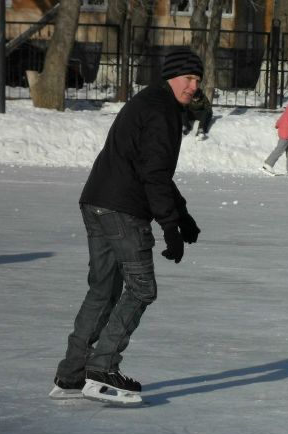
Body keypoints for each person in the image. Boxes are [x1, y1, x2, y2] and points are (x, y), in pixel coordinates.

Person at [49, 48, 204, 405]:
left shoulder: (148, 101)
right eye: (188, 78)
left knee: (103, 290)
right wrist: (170, 226)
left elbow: (150, 167)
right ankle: (102, 370)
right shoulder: (163, 110)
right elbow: (154, 173)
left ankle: (72, 374)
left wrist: (181, 216)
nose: (194, 86)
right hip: (123, 208)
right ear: (171, 77)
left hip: (97, 200)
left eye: (197, 80)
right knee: (141, 288)